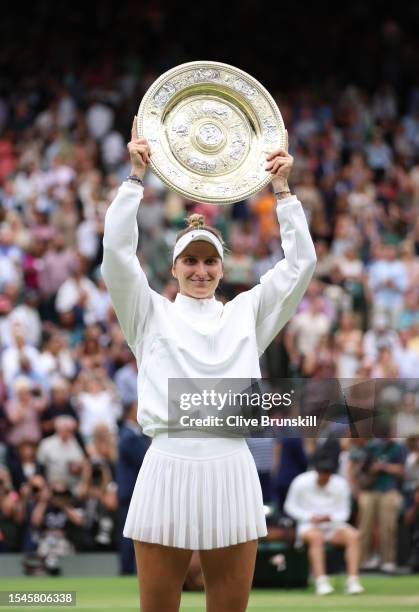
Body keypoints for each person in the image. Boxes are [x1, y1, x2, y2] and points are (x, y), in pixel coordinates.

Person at [101, 116, 317, 612]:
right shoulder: (148, 312)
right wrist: (134, 179)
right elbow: (115, 253)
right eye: (190, 262)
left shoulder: (247, 313)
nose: (200, 271)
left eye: (209, 262)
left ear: (222, 267)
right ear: (173, 267)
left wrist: (283, 192)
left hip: (232, 467)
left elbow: (300, 265)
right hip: (166, 465)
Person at [284, 453, 364, 596]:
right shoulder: (300, 482)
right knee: (317, 538)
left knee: (354, 536)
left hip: (333, 525)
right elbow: (290, 506)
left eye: (327, 476)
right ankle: (321, 581)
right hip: (308, 525)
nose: (324, 479)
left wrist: (331, 518)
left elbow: (345, 512)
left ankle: (353, 581)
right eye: (322, 475)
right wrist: (309, 517)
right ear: (316, 472)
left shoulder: (340, 484)